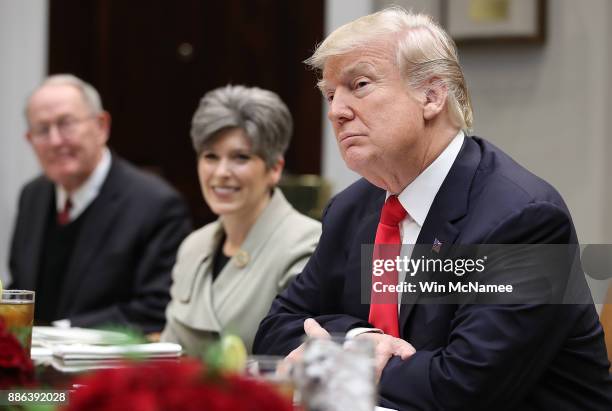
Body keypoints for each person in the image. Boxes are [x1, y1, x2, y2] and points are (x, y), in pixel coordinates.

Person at [253, 8, 612, 410]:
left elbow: (462, 388)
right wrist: (357, 341)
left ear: (432, 95)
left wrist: (337, 359)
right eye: (332, 94)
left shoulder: (524, 219)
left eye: (360, 84)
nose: (337, 111)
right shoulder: (351, 209)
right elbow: (275, 331)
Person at [9, 74, 192, 333]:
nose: (55, 141)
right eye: (42, 130)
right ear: (29, 139)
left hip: (106, 368)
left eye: (66, 124)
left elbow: (155, 307)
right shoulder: (32, 195)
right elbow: (19, 291)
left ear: (101, 126)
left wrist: (60, 331)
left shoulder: (156, 204)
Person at [161, 85, 321, 355]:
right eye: (211, 156)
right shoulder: (193, 246)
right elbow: (167, 352)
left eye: (240, 157)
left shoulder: (307, 243)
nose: (221, 172)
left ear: (274, 169)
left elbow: (298, 358)